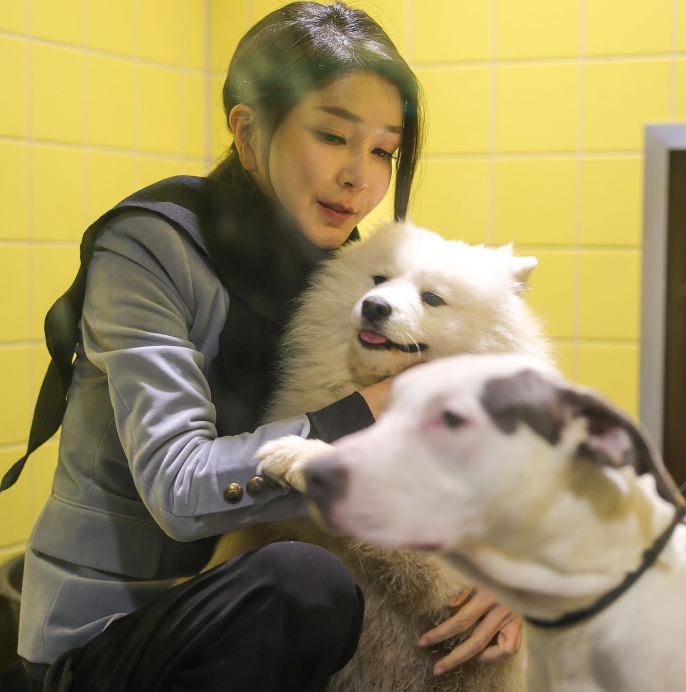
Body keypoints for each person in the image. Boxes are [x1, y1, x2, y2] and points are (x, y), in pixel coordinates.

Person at [8, 3, 520, 691]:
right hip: (110, 636)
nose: (360, 177)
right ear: (248, 132)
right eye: (333, 136)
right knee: (303, 580)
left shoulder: (352, 271)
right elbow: (180, 489)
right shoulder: (150, 249)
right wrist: (369, 406)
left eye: (383, 151)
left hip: (270, 625)